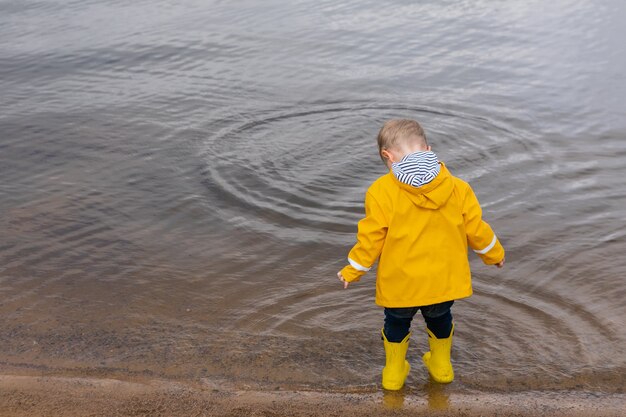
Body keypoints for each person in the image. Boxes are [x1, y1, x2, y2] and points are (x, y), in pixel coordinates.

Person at [337, 119, 505, 390]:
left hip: (400, 284)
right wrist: (494, 254)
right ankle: (441, 367)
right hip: (443, 281)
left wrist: (353, 270)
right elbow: (477, 230)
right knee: (440, 319)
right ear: (428, 148)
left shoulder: (380, 192)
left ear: (387, 156)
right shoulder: (458, 187)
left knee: (396, 324)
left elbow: (370, 239)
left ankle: (393, 373)